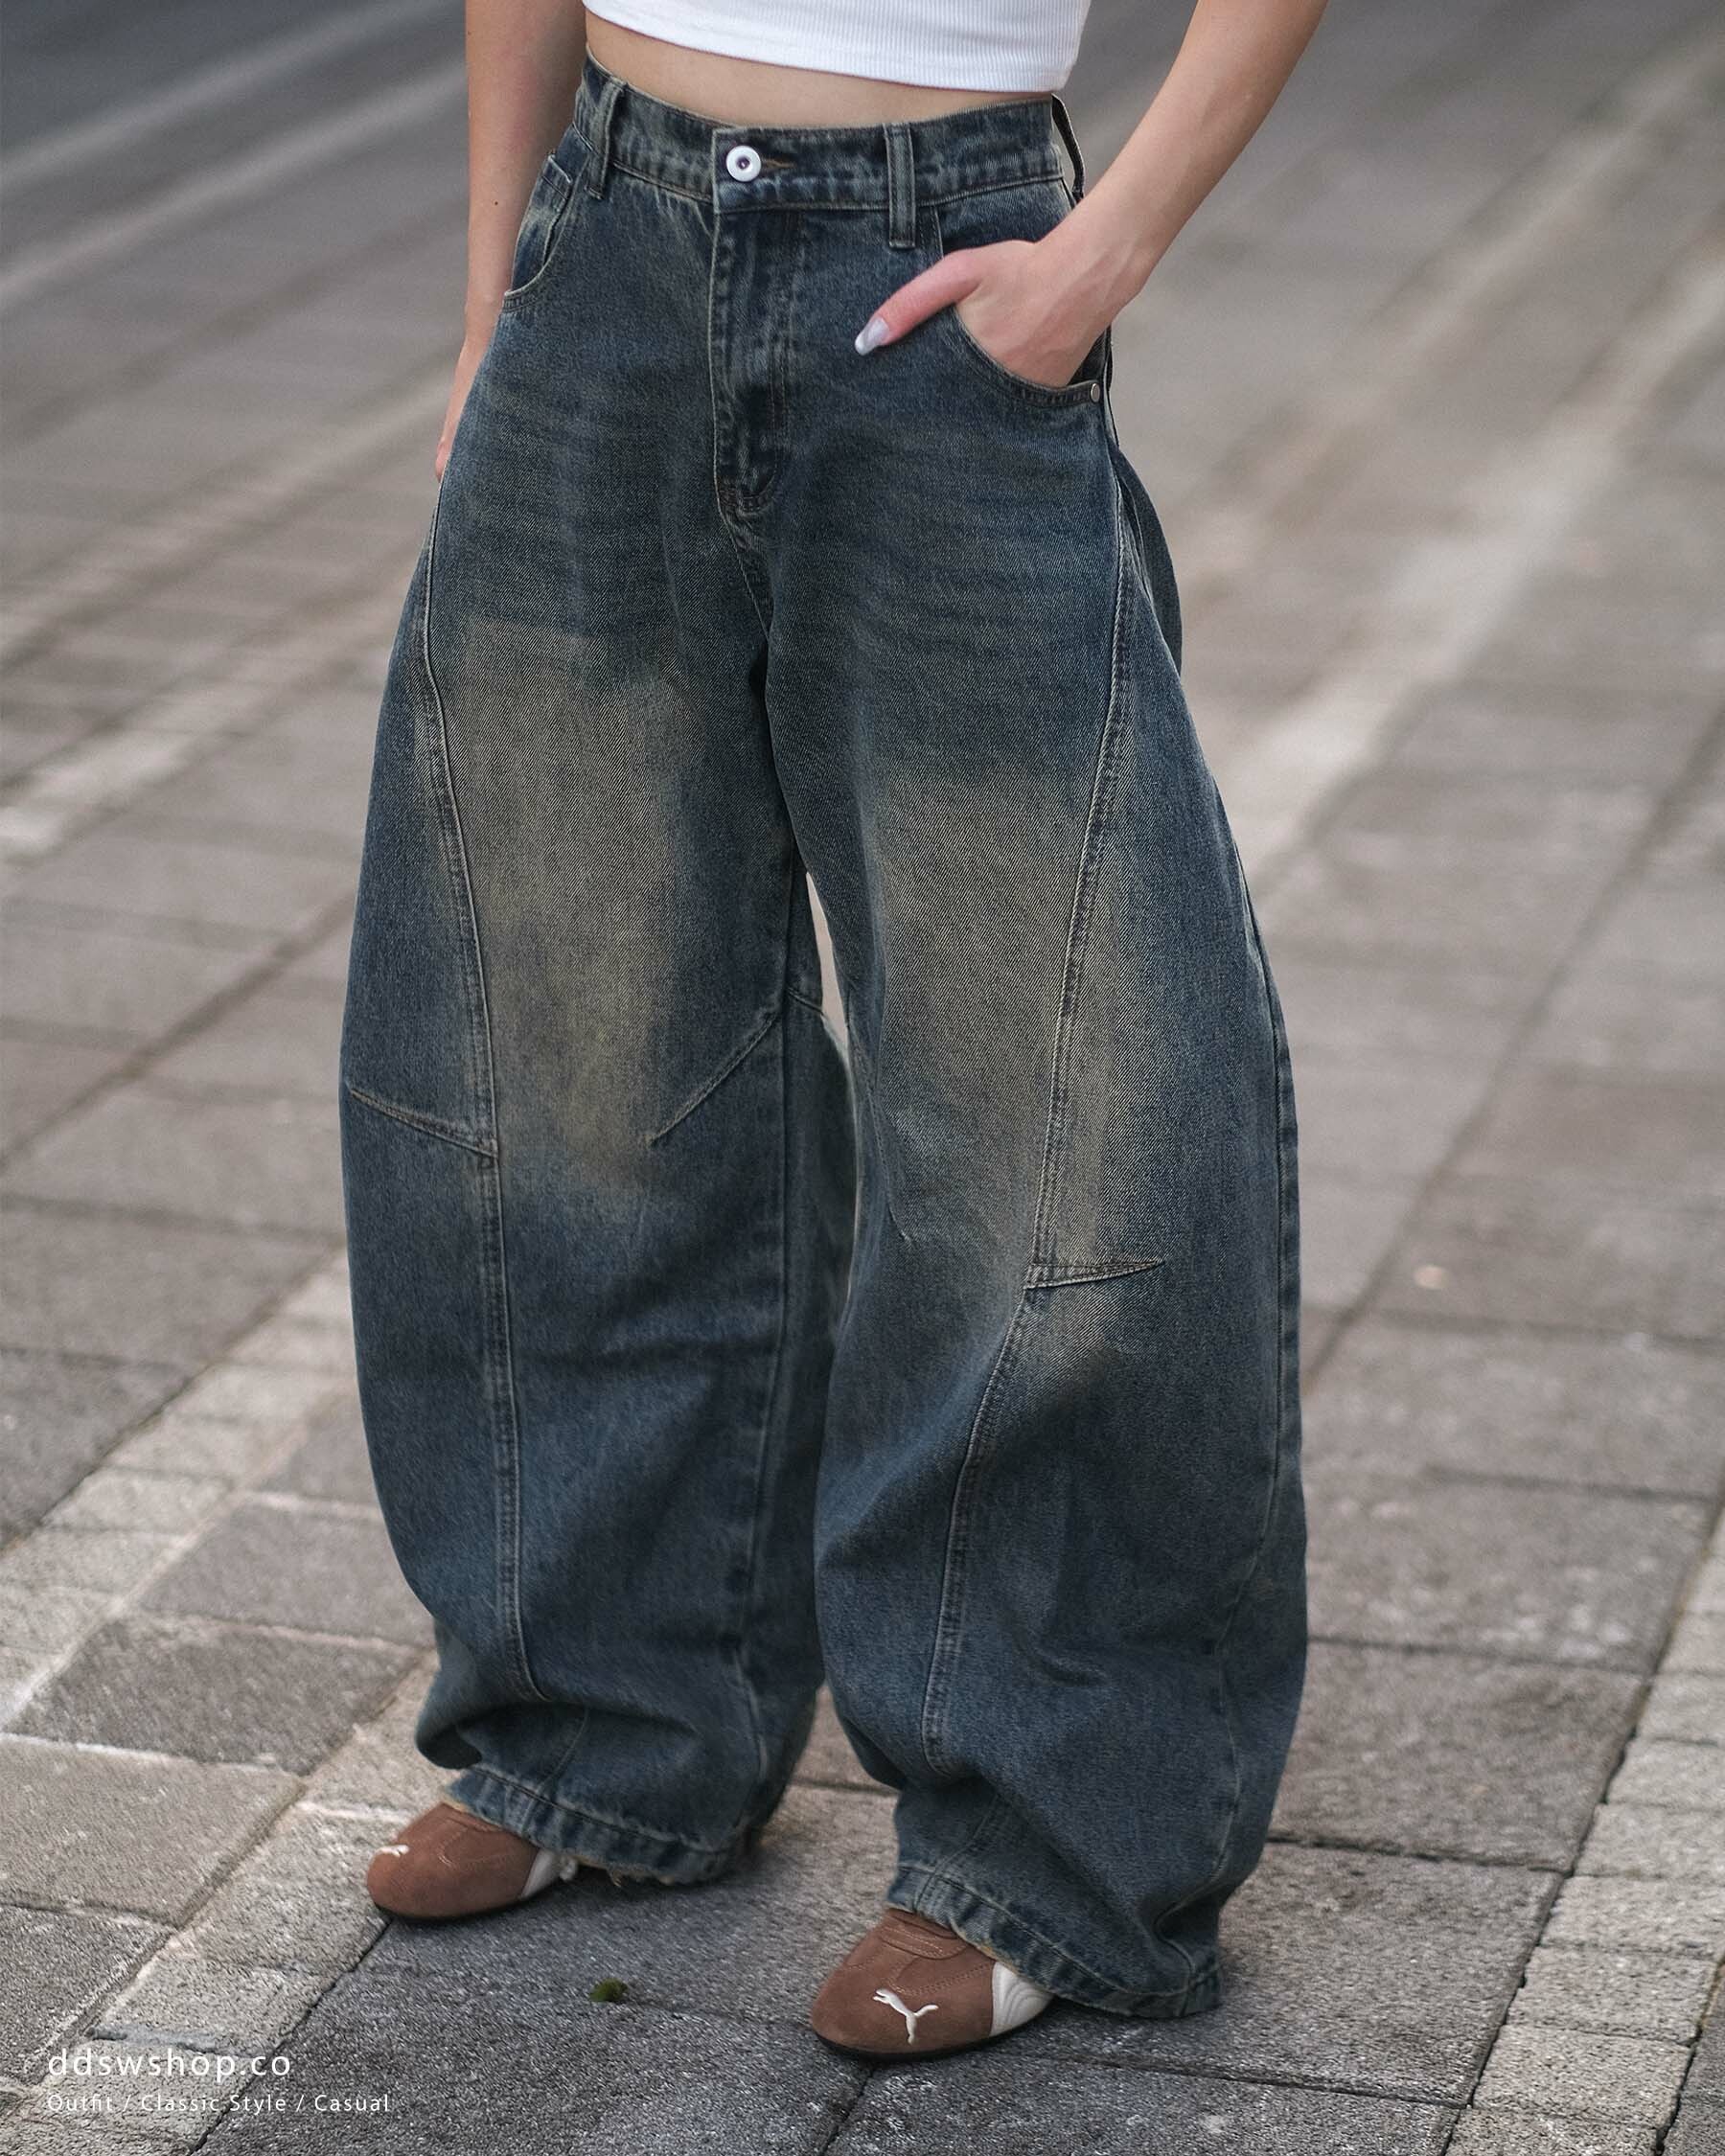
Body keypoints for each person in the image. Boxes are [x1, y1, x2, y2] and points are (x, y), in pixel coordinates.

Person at [340, 0, 1323, 2062]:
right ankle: (601, 1729)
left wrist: (1099, 257)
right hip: (606, 246)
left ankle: (1051, 1840)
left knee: (1056, 1085)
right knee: (561, 1042)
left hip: (945, 265)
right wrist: (501, 290)